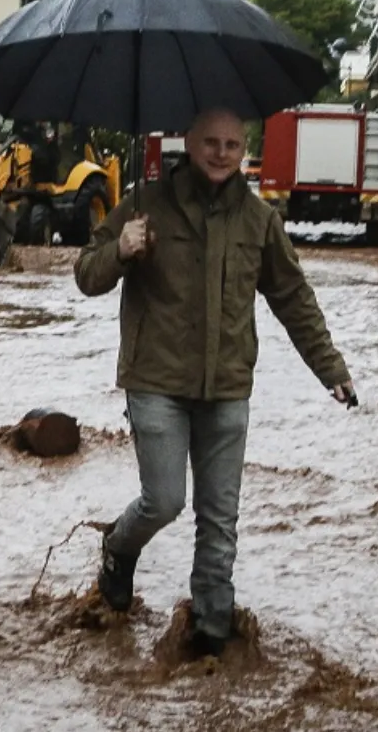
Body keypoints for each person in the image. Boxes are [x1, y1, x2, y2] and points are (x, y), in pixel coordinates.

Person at [75, 108, 356, 659]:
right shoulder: (146, 204)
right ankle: (118, 546)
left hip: (227, 386)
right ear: (189, 142)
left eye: (231, 144)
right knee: (164, 501)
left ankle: (211, 632)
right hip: (155, 380)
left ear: (244, 149)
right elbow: (87, 274)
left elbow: (294, 298)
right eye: (211, 142)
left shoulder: (259, 220)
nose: (221, 153)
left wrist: (331, 369)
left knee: (220, 519)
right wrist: (120, 250)